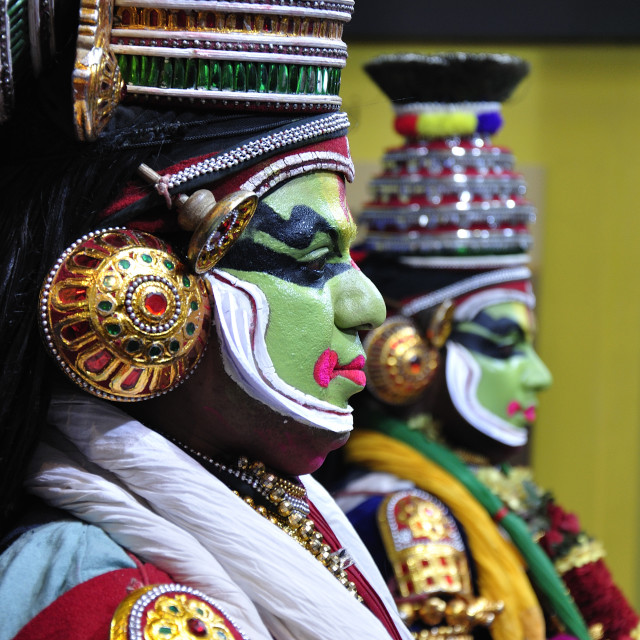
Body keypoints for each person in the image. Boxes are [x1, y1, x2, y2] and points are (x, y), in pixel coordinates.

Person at [0, 3, 412, 639]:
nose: (369, 307)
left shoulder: (280, 505)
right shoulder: (98, 595)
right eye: (308, 256)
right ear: (141, 285)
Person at [332, 53, 639, 640]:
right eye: (504, 345)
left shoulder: (502, 498)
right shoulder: (411, 518)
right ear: (407, 353)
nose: (540, 376)